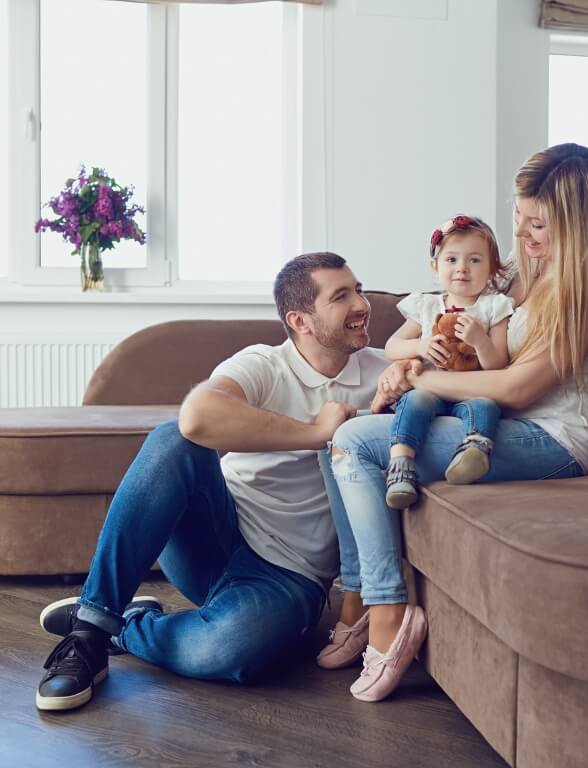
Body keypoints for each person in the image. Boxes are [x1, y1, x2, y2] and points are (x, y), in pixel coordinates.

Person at [316, 143, 588, 703]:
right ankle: (359, 595)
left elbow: (517, 386)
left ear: (581, 226)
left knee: (356, 444)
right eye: (520, 219)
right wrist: (408, 367)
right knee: (334, 441)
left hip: (553, 440)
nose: (526, 236)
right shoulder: (523, 274)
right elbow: (454, 341)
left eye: (541, 226)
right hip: (494, 420)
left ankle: (389, 610)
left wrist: (420, 383)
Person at [35, 252, 389, 712]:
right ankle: (88, 633)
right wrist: (316, 433)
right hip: (215, 534)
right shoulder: (264, 363)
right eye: (342, 296)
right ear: (300, 320)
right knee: (173, 440)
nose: (362, 303)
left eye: (359, 289)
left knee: (229, 651)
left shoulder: (386, 374)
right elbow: (197, 416)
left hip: (290, 577)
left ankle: (125, 625)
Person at [382, 214, 515, 510]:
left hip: (472, 389)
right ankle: (401, 464)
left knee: (485, 406)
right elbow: (392, 346)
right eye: (452, 259)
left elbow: (497, 366)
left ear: (492, 268)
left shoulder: (495, 308)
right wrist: (421, 345)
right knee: (414, 401)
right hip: (431, 387)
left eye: (475, 260)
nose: (462, 269)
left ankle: (473, 451)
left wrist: (480, 340)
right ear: (435, 266)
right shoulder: (427, 306)